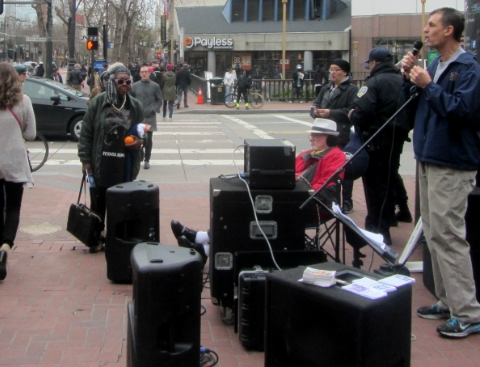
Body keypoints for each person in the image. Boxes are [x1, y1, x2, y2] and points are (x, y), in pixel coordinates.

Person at [402, 8, 480, 338]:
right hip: (429, 156)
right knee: (433, 234)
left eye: (432, 25)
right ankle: (448, 302)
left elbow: (461, 111)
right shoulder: (434, 65)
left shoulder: (469, 68)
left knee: (449, 236)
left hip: (453, 162)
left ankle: (468, 313)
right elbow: (420, 103)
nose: (426, 30)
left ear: (449, 30)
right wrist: (409, 79)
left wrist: (429, 85)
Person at [171, 118, 345, 263]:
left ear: (329, 138)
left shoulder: (336, 157)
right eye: (311, 134)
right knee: (241, 203)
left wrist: (299, 182)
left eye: (316, 135)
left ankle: (203, 245)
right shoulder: (307, 154)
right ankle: (202, 243)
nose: (311, 138)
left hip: (308, 207)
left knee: (248, 212)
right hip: (286, 200)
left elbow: (324, 188)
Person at [78, 63, 144, 251]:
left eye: (128, 81)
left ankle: (116, 239)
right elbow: (86, 134)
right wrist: (85, 161)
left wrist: (139, 143)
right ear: (111, 83)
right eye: (120, 81)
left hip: (125, 165)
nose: (125, 84)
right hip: (101, 164)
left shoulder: (135, 106)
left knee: (121, 204)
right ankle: (96, 236)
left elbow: (141, 134)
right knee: (98, 203)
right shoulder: (98, 103)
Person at [349, 47, 411, 246]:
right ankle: (388, 220)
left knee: (375, 187)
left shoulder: (373, 82)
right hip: (397, 139)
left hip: (375, 140)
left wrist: (352, 115)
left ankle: (378, 228)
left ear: (374, 63)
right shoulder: (403, 81)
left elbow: (362, 111)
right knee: (390, 180)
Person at [0, 62, 36, 281]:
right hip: (14, 159)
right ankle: (7, 245)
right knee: (13, 207)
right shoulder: (23, 101)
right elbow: (31, 134)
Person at [311, 59, 358, 213]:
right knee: (326, 168)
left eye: (336, 69)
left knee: (343, 167)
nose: (332, 73)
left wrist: (330, 113)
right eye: (331, 69)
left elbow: (351, 111)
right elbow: (315, 105)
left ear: (344, 72)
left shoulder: (351, 90)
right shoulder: (326, 88)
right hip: (325, 134)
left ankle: (347, 200)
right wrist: (316, 111)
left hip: (341, 134)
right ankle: (332, 199)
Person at [130, 65, 162, 170]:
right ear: (139, 74)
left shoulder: (155, 86)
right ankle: (140, 154)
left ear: (149, 73)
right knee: (139, 138)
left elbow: (159, 100)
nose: (144, 73)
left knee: (148, 139)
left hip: (149, 117)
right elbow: (130, 99)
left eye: (146, 72)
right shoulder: (135, 86)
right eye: (142, 72)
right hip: (138, 117)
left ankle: (147, 159)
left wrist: (154, 109)